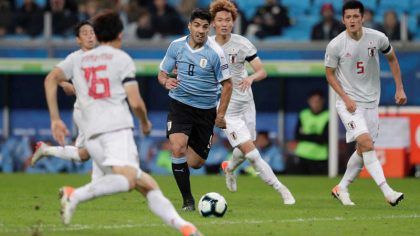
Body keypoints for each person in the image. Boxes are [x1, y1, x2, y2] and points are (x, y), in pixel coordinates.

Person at [44, 11, 201, 235]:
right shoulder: (121, 59)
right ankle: (74, 194)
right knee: (128, 180)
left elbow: (50, 78)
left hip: (91, 135)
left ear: (97, 34)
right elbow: (136, 102)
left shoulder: (77, 58)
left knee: (147, 185)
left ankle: (185, 227)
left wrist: (55, 119)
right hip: (115, 130)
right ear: (120, 34)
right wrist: (145, 122)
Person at [209, 0, 295, 205]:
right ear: (213, 23)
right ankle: (282, 190)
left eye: (228, 20)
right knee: (253, 155)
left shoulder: (242, 43)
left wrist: (251, 78)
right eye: (219, 20)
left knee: (246, 147)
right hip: (226, 109)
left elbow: (262, 71)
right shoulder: (207, 46)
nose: (224, 24)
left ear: (233, 22)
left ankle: (229, 168)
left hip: (246, 104)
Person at [325, 1, 407, 206]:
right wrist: (345, 98)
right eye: (348, 17)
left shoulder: (378, 38)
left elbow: (393, 60)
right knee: (367, 143)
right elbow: (329, 74)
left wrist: (399, 88)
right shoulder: (336, 44)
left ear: (363, 18)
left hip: (371, 102)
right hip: (349, 103)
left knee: (362, 150)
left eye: (356, 16)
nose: (352, 20)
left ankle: (341, 187)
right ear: (343, 19)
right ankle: (388, 192)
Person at [158, 8, 233, 211]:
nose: (201, 30)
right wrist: (165, 82)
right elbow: (162, 73)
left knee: (196, 162)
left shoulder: (216, 53)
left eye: (205, 26)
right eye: (197, 25)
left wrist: (221, 114)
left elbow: (227, 85)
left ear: (210, 28)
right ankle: (188, 201)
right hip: (179, 105)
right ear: (189, 26)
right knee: (177, 147)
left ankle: (191, 139)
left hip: (205, 110)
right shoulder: (176, 46)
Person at [31, 20, 95, 170]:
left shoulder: (103, 56)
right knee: (104, 146)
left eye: (92, 32)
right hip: (85, 112)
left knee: (83, 155)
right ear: (78, 40)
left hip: (98, 111)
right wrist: (62, 83)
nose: (90, 36)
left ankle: (46, 150)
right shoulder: (74, 58)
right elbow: (53, 76)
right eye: (85, 33)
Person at [294, 90, 329, 175]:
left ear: (322, 101)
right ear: (309, 101)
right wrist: (316, 136)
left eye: (317, 101)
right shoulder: (303, 114)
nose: (315, 104)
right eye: (313, 101)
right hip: (302, 154)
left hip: (320, 156)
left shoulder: (328, 115)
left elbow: (324, 138)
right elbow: (297, 135)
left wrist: (306, 135)